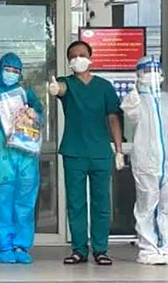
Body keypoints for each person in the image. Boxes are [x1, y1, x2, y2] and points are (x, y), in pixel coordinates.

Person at [48, 40, 123, 266]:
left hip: (101, 152)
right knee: (76, 203)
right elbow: (59, 89)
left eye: (82, 54)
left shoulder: (104, 87)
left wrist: (119, 150)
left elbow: (113, 118)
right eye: (73, 56)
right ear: (69, 62)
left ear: (91, 57)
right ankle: (79, 250)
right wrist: (54, 88)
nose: (77, 59)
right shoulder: (66, 83)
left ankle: (101, 250)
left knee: (101, 204)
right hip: (74, 152)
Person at [119, 56, 168, 265]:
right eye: (147, 71)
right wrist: (134, 92)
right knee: (147, 204)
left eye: (155, 70)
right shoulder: (135, 100)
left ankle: (167, 247)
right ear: (139, 74)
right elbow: (130, 113)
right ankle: (148, 248)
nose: (152, 74)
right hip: (146, 162)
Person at [0, 53, 43, 264]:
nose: (11, 74)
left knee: (24, 200)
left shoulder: (26, 93)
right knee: (0, 199)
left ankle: (21, 246)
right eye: (8, 69)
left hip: (25, 155)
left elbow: (39, 113)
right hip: (0, 157)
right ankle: (4, 246)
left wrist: (34, 114)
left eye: (16, 71)